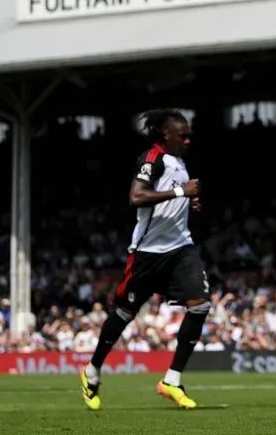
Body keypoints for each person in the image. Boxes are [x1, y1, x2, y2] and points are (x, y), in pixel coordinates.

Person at [80, 110, 210, 411]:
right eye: (183, 135)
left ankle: (172, 381)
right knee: (125, 313)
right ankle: (92, 370)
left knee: (201, 305)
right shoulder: (153, 157)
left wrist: (189, 202)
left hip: (180, 248)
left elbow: (173, 199)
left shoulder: (179, 160)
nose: (189, 140)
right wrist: (181, 191)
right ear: (166, 134)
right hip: (147, 253)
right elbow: (137, 197)